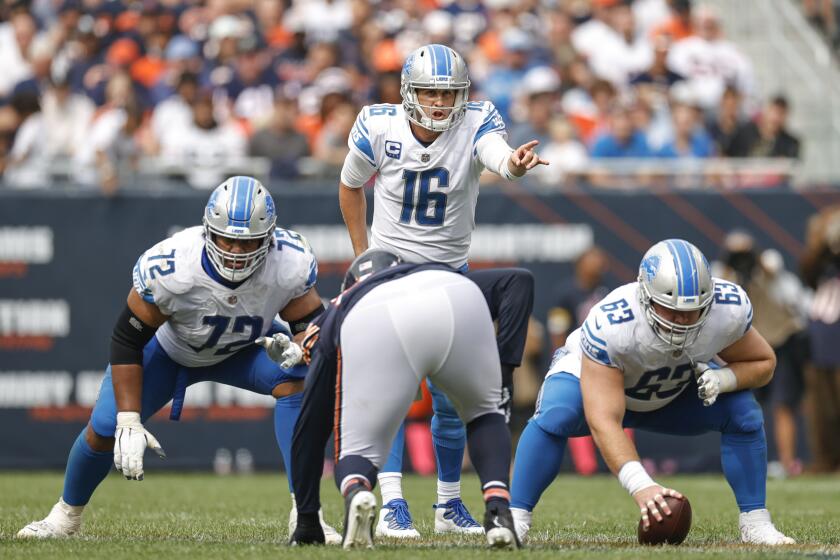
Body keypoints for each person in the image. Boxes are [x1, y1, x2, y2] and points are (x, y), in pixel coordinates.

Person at [17, 176, 340, 544]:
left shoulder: (288, 261)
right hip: (171, 352)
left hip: (244, 351)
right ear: (207, 232)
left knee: (298, 377)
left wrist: (302, 344)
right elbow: (127, 338)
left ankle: (305, 512)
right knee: (105, 427)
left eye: (246, 242)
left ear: (268, 239)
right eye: (226, 239)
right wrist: (128, 418)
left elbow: (309, 324)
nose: (235, 250)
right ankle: (65, 515)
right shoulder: (173, 266)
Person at [337, 43, 545, 537]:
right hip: (389, 273)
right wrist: (364, 257)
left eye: (448, 92)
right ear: (409, 91)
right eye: (429, 91)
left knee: (453, 398)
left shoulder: (477, 121)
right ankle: (389, 503)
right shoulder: (379, 125)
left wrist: (513, 165)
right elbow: (350, 186)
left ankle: (448, 506)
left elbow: (496, 156)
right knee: (387, 392)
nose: (438, 101)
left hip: (452, 274)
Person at [510, 239, 795, 546]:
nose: (683, 322)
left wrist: (723, 378)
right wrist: (642, 485)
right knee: (557, 414)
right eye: (672, 311)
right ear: (645, 296)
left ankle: (756, 522)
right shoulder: (614, 323)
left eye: (694, 311)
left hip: (671, 391)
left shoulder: (726, 309)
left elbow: (764, 363)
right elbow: (603, 419)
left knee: (744, 412)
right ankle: (514, 518)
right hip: (600, 385)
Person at [289, 250, 519, 549]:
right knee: (485, 413)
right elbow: (518, 281)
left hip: (377, 317)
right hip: (457, 295)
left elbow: (310, 426)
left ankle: (357, 489)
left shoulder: (343, 304)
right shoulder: (434, 270)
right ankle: (499, 509)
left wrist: (307, 519)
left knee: (357, 452)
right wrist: (506, 369)